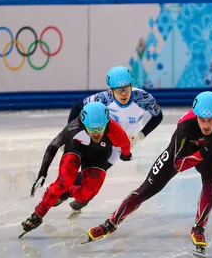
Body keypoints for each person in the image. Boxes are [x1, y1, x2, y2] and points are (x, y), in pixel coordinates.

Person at [81, 91, 212, 256]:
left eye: (211, 120)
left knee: (210, 183)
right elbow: (179, 164)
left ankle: (198, 228)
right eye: (202, 120)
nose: (206, 125)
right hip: (180, 154)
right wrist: (203, 151)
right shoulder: (185, 128)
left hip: (211, 151)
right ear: (196, 116)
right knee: (145, 190)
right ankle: (110, 224)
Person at [20, 101, 131, 237]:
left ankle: (67, 193)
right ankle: (37, 214)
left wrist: (126, 155)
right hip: (75, 148)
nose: (96, 133)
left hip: (99, 155)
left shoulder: (116, 131)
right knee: (64, 181)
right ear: (84, 124)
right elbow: (53, 146)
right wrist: (43, 172)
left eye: (100, 129)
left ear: (107, 124)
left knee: (85, 195)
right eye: (92, 129)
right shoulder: (74, 127)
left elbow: (126, 145)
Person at [65, 66, 163, 213]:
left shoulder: (143, 98)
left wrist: (140, 136)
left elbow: (158, 116)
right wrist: (70, 134)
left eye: (126, 88)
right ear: (111, 91)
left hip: (125, 142)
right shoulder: (104, 98)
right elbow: (78, 106)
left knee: (96, 172)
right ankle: (74, 194)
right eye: (118, 90)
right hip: (104, 135)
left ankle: (71, 194)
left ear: (131, 86)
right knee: (87, 169)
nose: (123, 93)